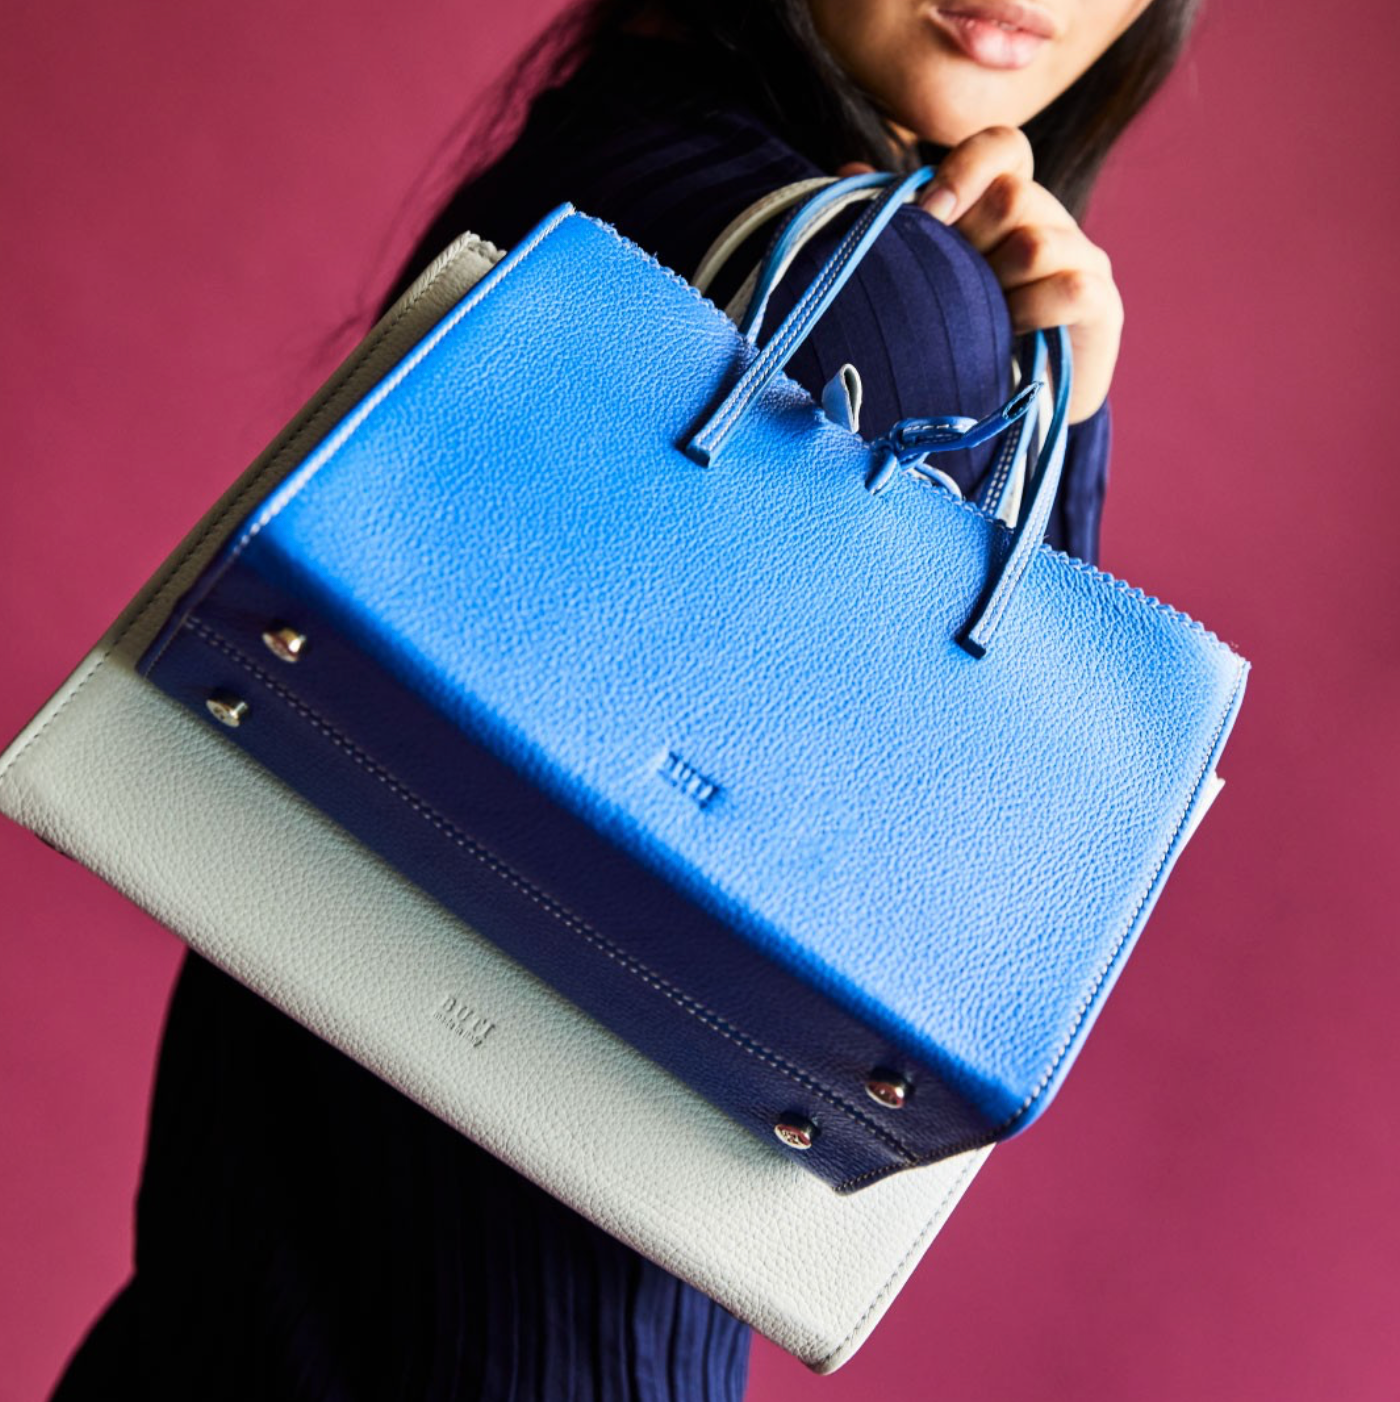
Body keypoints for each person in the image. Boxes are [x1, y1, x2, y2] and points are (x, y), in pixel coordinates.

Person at [50, 1, 1201, 1397]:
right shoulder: (892, 295)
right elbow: (979, 907)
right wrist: (1060, 421)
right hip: (530, 1334)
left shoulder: (609, 139)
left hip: (225, 1301)